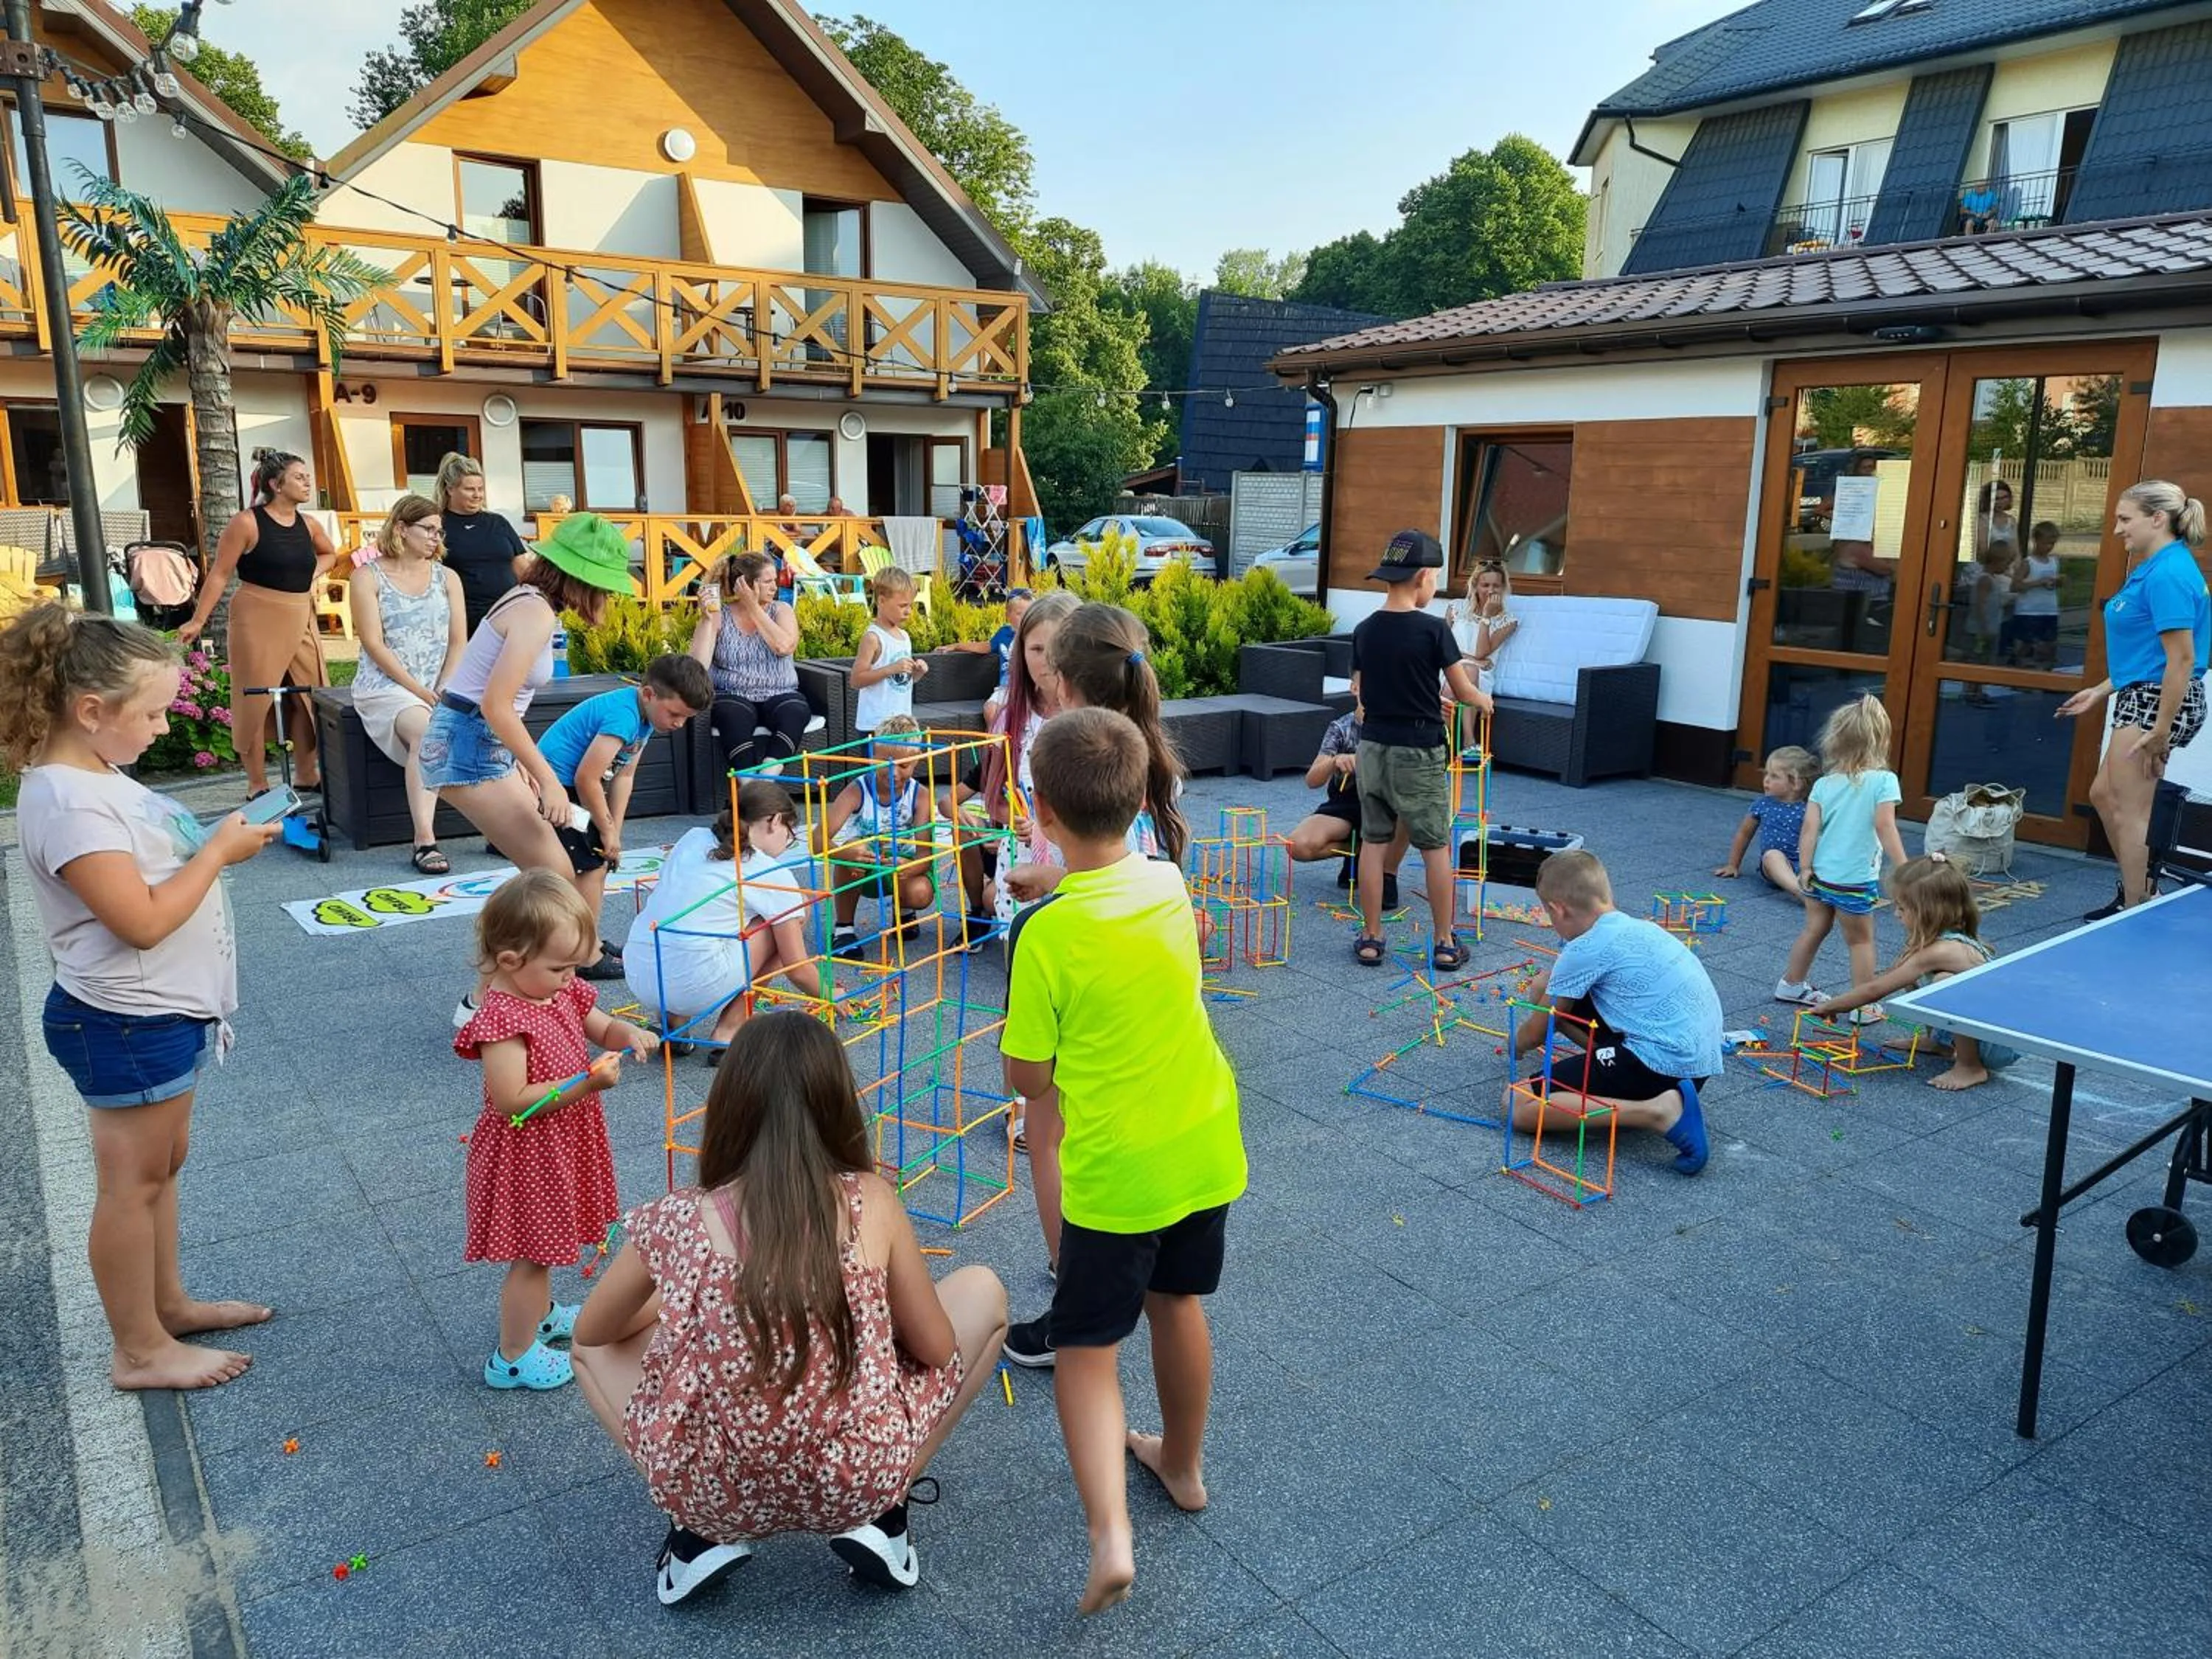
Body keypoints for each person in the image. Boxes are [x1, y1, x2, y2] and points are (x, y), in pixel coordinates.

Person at [570, 1011, 1007, 1603]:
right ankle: (884, 1516)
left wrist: (684, 1297)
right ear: (837, 1107)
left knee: (584, 1350)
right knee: (983, 1290)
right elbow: (935, 1348)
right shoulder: (871, 1202)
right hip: (857, 1477)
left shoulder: (678, 1216)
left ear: (728, 1109)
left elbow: (596, 1331)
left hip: (713, 1490)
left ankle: (695, 1535)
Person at [997, 707, 1245, 1614]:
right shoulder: (1170, 882)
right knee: (1177, 1302)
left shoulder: (1047, 933)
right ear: (1142, 800)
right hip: (1203, 1141)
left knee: (1087, 1348)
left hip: (1117, 1172)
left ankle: (1109, 1535)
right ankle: (1182, 1466)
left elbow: (1029, 1076)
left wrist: (1044, 900)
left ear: (1042, 814)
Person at [3, 605, 282, 1391]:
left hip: (154, 1013)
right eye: (154, 712)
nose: (164, 727)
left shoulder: (96, 781)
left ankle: (166, 1305)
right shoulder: (68, 801)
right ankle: (139, 1350)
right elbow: (142, 923)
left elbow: (149, 878)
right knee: (133, 1185)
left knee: (162, 1167)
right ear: (91, 711)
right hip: (123, 1016)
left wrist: (216, 843)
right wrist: (220, 851)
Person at [419, 513, 639, 1028]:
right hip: (469, 743)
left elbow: (498, 702)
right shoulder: (536, 612)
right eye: (604, 587)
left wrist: (519, 765)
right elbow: (495, 704)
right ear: (582, 580)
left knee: (546, 875)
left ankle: (503, 995)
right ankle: (486, 1001)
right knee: (553, 877)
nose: (606, 600)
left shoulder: (529, 601)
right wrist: (544, 779)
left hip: (477, 742)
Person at [457, 871, 658, 1393]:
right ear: (509, 961)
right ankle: (513, 1356)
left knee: (547, 1244)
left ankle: (540, 1317)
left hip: (560, 1143)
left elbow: (600, 1023)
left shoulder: (555, 991)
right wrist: (585, 1084)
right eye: (560, 967)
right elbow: (512, 1101)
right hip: (527, 1152)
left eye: (575, 967)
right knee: (534, 1255)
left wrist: (626, 1031)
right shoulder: (504, 1018)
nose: (571, 978)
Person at [1503, 850, 1717, 1176]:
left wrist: (1515, 1045)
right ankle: (1618, 1079)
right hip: (1695, 1068)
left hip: (1657, 1067)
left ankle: (1657, 1111)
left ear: (1558, 909)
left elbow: (1535, 1034)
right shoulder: (1639, 928)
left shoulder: (1584, 949)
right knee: (1545, 986)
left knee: (1516, 1103)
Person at [2059, 479, 2212, 918]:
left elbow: (2181, 660)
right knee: (2105, 796)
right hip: (2141, 694)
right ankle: (2140, 890)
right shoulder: (2154, 568)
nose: (2117, 530)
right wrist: (2101, 689)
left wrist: (2161, 731)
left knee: (2131, 810)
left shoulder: (2169, 574)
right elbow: (2147, 653)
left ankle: (2137, 906)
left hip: (2156, 702)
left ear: (2157, 519)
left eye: (2126, 520)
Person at [1348, 529, 1493, 972]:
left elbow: (1361, 695)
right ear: (1425, 577)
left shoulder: (1364, 630)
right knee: (1434, 847)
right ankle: (1445, 941)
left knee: (1373, 842)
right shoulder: (1434, 630)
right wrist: (1483, 702)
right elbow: (1464, 689)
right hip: (1419, 751)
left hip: (1372, 747)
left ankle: (1372, 937)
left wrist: (1425, 699)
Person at [536, 653, 712, 978]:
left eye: (686, 719)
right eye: (675, 714)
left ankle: (588, 942)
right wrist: (605, 829)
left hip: (575, 788)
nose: (678, 724)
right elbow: (587, 778)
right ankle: (585, 955)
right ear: (649, 694)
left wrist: (613, 831)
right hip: (554, 790)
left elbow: (624, 776)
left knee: (600, 858)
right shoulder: (624, 716)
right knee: (591, 867)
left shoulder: (644, 717)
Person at [178, 451, 336, 796]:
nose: (307, 482)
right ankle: (257, 783)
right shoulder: (246, 523)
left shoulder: (309, 525)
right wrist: (198, 619)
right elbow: (220, 574)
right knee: (255, 698)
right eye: (299, 477)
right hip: (256, 615)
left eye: (306, 476)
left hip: (299, 615)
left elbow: (330, 554)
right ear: (276, 485)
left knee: (307, 695)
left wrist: (310, 576)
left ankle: (307, 773)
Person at [625, 782, 821, 1055]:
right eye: (790, 836)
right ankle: (731, 1027)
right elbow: (797, 967)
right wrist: (831, 995)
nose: (787, 846)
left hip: (639, 969)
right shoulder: (767, 870)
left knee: (697, 921)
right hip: (693, 981)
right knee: (796, 908)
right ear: (775, 821)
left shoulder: (693, 837)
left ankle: (675, 1022)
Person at [1810, 855, 2021, 1091]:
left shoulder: (1942, 950)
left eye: (1902, 908)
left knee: (1944, 982)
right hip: (1987, 1029)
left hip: (1998, 1042)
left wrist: (1832, 1006)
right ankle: (1941, 1043)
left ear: (1928, 911)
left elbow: (1875, 989)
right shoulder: (1939, 938)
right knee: (1923, 978)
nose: (1896, 914)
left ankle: (1970, 1066)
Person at [348, 493, 467, 874]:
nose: (436, 537)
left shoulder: (448, 577)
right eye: (428, 529)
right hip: (386, 685)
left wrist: (444, 686)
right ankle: (424, 840)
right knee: (429, 732)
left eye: (440, 531)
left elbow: (458, 641)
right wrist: (419, 691)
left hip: (438, 682)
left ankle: (504, 826)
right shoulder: (367, 576)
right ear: (401, 528)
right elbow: (372, 642)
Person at [1775, 695, 1907, 1015]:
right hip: (1853, 879)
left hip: (1819, 874)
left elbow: (1809, 830)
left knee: (1814, 929)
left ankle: (1791, 984)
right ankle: (1863, 1005)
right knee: (1860, 941)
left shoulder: (1824, 784)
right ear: (1880, 740)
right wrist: (1905, 867)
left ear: (1835, 741)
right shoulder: (1884, 781)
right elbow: (1884, 826)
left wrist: (1804, 868)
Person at [823, 713, 939, 960]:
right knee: (851, 848)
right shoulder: (857, 790)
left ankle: (904, 911)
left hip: (901, 868)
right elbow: (817, 840)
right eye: (884, 762)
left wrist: (910, 867)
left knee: (921, 893)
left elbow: (925, 854)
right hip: (864, 867)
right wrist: (847, 852)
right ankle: (843, 929)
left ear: (916, 761)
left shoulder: (921, 796)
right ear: (871, 756)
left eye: (903, 766)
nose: (893, 773)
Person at [690, 552, 812, 777]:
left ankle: (766, 778)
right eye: (768, 582)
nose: (775, 587)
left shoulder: (781, 610)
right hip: (733, 694)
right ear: (744, 584)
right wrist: (707, 620)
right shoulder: (720, 616)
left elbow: (783, 646)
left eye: (775, 580)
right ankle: (749, 783)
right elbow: (698, 665)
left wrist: (753, 607)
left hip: (780, 692)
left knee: (796, 710)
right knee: (731, 716)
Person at [1285, 709, 1399, 911]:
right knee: (1296, 845)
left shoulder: (1401, 722)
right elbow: (1312, 780)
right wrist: (1335, 760)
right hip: (1347, 802)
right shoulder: (1341, 727)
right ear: (1354, 688)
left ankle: (1387, 873)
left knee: (1413, 804)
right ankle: (1359, 852)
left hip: (1390, 802)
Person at [436, 453, 530, 636]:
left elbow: (522, 569)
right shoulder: (437, 526)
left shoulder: (498, 523)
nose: (477, 495)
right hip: (461, 624)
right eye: (470, 489)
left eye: (481, 489)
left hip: (507, 617)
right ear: (450, 489)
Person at [1714, 745, 1818, 897]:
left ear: (1796, 784)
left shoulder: (1811, 808)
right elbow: (1744, 833)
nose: (1766, 780)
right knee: (1772, 856)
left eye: (1774, 776)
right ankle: (1801, 893)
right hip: (1773, 866)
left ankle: (1810, 887)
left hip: (1806, 866)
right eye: (1766, 774)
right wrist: (1733, 865)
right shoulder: (1763, 804)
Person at [852, 566, 926, 735]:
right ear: (882, 601)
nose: (908, 611)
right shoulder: (873, 638)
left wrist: (918, 673)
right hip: (876, 724)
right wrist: (891, 669)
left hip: (902, 724)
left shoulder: (904, 637)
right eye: (902, 606)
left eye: (911, 605)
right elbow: (856, 680)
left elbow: (901, 682)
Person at [1446, 559, 1517, 695]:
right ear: (1475, 586)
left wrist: (1486, 617)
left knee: (1470, 673)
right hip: (1452, 668)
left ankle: (1460, 716)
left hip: (1481, 676)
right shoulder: (1456, 608)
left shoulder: (1508, 621)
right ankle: (1462, 717)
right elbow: (1443, 648)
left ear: (1503, 588)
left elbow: (1481, 653)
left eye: (1496, 586)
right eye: (1485, 585)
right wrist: (1473, 661)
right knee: (1462, 674)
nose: (1491, 591)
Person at [2006, 520, 2062, 669]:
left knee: (2049, 644)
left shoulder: (2054, 561)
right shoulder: (2028, 563)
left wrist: (2059, 581)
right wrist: (2038, 583)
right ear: (2036, 541)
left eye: (2052, 544)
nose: (2049, 547)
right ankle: (2020, 673)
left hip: (2049, 609)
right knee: (2026, 645)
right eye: (2046, 543)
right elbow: (2015, 586)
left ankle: (2046, 674)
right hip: (2028, 610)